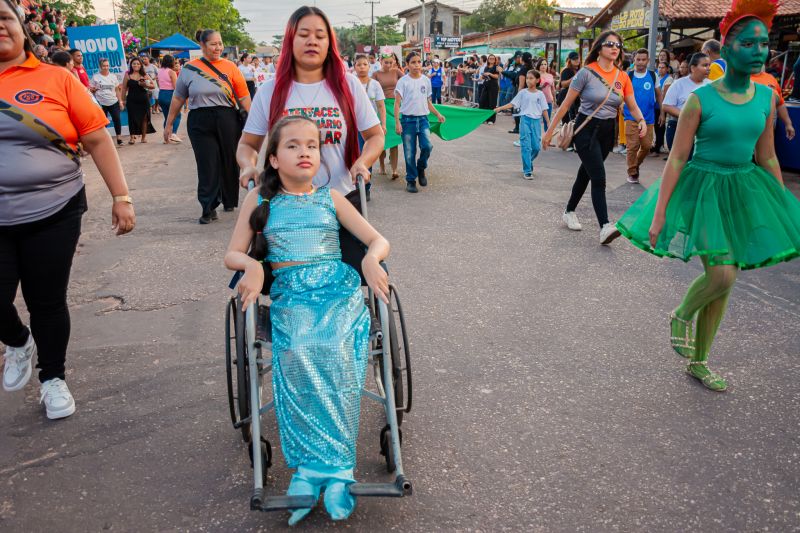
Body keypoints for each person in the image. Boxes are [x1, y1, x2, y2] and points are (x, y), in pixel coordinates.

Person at [616, 0, 800, 392]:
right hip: (704, 190)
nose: (758, 51)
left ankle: (699, 361)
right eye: (748, 43)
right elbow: (677, 158)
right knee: (721, 273)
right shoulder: (701, 99)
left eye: (764, 43)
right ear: (727, 48)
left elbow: (767, 155)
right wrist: (660, 212)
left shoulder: (766, 98)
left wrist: (782, 205)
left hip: (744, 189)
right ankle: (682, 313)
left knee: (725, 283)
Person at [225, 115, 390, 525]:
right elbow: (232, 254)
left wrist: (371, 259)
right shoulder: (259, 201)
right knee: (298, 350)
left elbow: (377, 239)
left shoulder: (331, 198)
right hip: (292, 293)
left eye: (312, 146)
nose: (305, 152)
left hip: (337, 290)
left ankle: (336, 469)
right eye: (293, 145)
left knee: (336, 349)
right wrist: (253, 266)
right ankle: (310, 468)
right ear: (274, 159)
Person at [0, 0, 135, 419]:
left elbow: (96, 139)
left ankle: (52, 378)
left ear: (22, 26)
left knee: (46, 300)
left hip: (53, 209)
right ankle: (18, 341)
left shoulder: (56, 78)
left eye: (4, 18)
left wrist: (121, 197)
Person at [543, 31, 648, 245]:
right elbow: (565, 105)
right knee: (598, 177)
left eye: (618, 45)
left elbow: (632, 104)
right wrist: (548, 131)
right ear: (599, 47)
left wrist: (641, 120)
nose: (615, 48)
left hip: (608, 132)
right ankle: (605, 226)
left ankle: (569, 211)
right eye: (610, 44)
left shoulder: (622, 76)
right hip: (586, 130)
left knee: (587, 173)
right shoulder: (586, 73)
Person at [164, 29, 251, 224]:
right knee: (207, 163)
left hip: (227, 118)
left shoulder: (230, 67)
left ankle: (229, 199)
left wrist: (253, 122)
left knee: (229, 159)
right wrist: (169, 124)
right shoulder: (189, 69)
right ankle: (208, 206)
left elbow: (244, 96)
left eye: (220, 43)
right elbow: (178, 97)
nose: (218, 47)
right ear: (202, 46)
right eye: (213, 44)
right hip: (199, 120)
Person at [394, 51, 446, 193]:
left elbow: (427, 101)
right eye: (413, 62)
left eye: (418, 62)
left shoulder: (426, 80)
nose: (416, 65)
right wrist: (397, 122)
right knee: (409, 152)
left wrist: (438, 114)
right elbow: (397, 103)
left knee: (427, 146)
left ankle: (421, 167)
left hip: (423, 120)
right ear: (407, 65)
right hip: (407, 121)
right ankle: (411, 180)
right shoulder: (403, 81)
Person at [494, 69, 550, 179]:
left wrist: (548, 122)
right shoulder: (523, 93)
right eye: (527, 78)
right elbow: (512, 103)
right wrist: (499, 108)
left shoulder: (540, 94)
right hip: (525, 120)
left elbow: (544, 109)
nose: (528, 80)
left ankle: (528, 161)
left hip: (536, 122)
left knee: (536, 147)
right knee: (526, 146)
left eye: (531, 78)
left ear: (537, 80)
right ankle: (527, 171)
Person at [623, 48, 660, 184]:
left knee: (646, 146)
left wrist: (662, 112)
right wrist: (620, 105)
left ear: (648, 61)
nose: (640, 62)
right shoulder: (628, 76)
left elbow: (659, 94)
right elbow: (620, 93)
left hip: (648, 118)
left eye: (643, 59)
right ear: (634, 60)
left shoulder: (653, 75)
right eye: (638, 59)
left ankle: (635, 165)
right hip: (630, 117)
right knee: (632, 146)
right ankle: (632, 173)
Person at [662, 53, 710, 153]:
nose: (708, 68)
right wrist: (687, 116)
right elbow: (666, 106)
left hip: (703, 130)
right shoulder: (679, 84)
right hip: (678, 127)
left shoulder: (711, 85)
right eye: (704, 65)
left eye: (709, 65)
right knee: (680, 160)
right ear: (693, 68)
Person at [354, 53, 386, 200]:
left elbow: (381, 106)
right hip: (352, 127)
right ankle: (354, 188)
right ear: (354, 67)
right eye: (359, 64)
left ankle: (365, 188)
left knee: (367, 156)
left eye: (364, 64)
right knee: (354, 156)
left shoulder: (375, 85)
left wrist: (383, 124)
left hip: (369, 128)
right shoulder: (350, 83)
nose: (362, 67)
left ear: (369, 66)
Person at [372, 52, 404, 178]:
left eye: (391, 62)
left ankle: (395, 170)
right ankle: (382, 165)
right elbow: (370, 88)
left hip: (395, 105)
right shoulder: (376, 74)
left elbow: (408, 81)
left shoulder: (396, 72)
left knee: (395, 138)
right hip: (382, 107)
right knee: (383, 138)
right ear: (380, 61)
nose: (389, 65)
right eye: (386, 62)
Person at [751, 66, 796, 140]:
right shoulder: (739, 78)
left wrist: (788, 124)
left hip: (769, 127)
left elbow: (780, 103)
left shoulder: (770, 78)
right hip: (747, 126)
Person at [120, 56, 156, 145]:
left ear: (141, 65)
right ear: (131, 65)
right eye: (134, 63)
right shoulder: (127, 75)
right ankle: (132, 138)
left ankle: (143, 137)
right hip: (131, 100)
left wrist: (144, 84)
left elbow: (153, 86)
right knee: (131, 118)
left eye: (138, 64)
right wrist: (122, 100)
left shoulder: (144, 75)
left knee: (144, 118)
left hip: (143, 100)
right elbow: (124, 88)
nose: (136, 65)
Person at [90, 57, 123, 146]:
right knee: (103, 123)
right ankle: (104, 140)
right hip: (101, 103)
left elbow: (117, 90)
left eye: (107, 65)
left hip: (113, 101)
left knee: (117, 119)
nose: (106, 67)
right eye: (104, 66)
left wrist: (120, 101)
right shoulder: (95, 77)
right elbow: (91, 90)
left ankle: (119, 138)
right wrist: (93, 89)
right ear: (100, 66)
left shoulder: (113, 76)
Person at [157, 54, 182, 143]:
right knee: (177, 115)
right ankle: (173, 134)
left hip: (161, 94)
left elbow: (158, 82)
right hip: (170, 94)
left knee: (167, 117)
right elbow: (176, 87)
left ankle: (166, 138)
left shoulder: (159, 71)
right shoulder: (171, 72)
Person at [653, 60, 674, 156]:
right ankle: (658, 145)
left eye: (663, 67)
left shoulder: (668, 79)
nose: (660, 69)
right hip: (654, 106)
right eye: (659, 67)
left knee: (660, 127)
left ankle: (658, 147)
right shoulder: (656, 76)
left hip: (661, 106)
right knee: (655, 127)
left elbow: (664, 95)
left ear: (667, 69)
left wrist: (662, 110)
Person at [478, 53, 501, 124]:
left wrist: (490, 74)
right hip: (486, 85)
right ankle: (483, 118)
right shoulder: (486, 67)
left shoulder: (496, 67)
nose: (491, 60)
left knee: (492, 103)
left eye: (493, 58)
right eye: (490, 58)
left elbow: (497, 76)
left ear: (495, 60)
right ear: (488, 59)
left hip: (493, 86)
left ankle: (491, 120)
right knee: (482, 102)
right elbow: (484, 76)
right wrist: (482, 76)